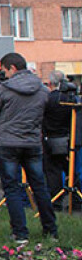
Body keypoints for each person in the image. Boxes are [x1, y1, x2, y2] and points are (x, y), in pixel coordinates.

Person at [0, 52, 57, 245]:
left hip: (8, 143)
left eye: (4, 71)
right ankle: (51, 230)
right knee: (40, 187)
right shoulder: (42, 90)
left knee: (12, 189)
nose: (4, 75)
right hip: (33, 143)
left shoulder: (5, 89)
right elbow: (47, 111)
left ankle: (20, 234)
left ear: (12, 68)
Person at [43, 71, 75, 208]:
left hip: (51, 139)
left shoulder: (48, 99)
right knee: (72, 169)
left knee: (53, 171)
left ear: (50, 83)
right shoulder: (71, 99)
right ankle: (75, 198)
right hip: (70, 139)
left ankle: (56, 201)